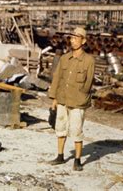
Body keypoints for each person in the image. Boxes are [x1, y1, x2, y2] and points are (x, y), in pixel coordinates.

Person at [48, 27, 95, 171]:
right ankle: (60, 156)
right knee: (60, 128)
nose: (73, 41)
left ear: (84, 40)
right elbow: (57, 79)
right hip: (62, 99)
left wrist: (81, 96)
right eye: (72, 38)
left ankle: (77, 160)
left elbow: (88, 83)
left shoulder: (88, 60)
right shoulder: (64, 58)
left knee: (76, 130)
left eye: (76, 38)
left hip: (78, 101)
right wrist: (54, 98)